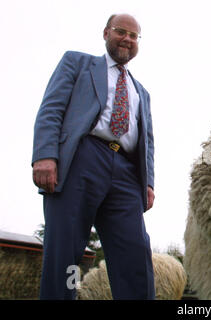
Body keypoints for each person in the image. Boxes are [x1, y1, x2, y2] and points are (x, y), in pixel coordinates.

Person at [32, 13, 156, 300]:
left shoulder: (142, 93)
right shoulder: (77, 63)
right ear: (106, 33)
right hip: (81, 159)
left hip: (126, 172)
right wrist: (45, 155)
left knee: (135, 252)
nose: (127, 38)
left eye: (133, 35)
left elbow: (147, 142)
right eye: (121, 31)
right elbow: (51, 109)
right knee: (65, 254)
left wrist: (148, 183)